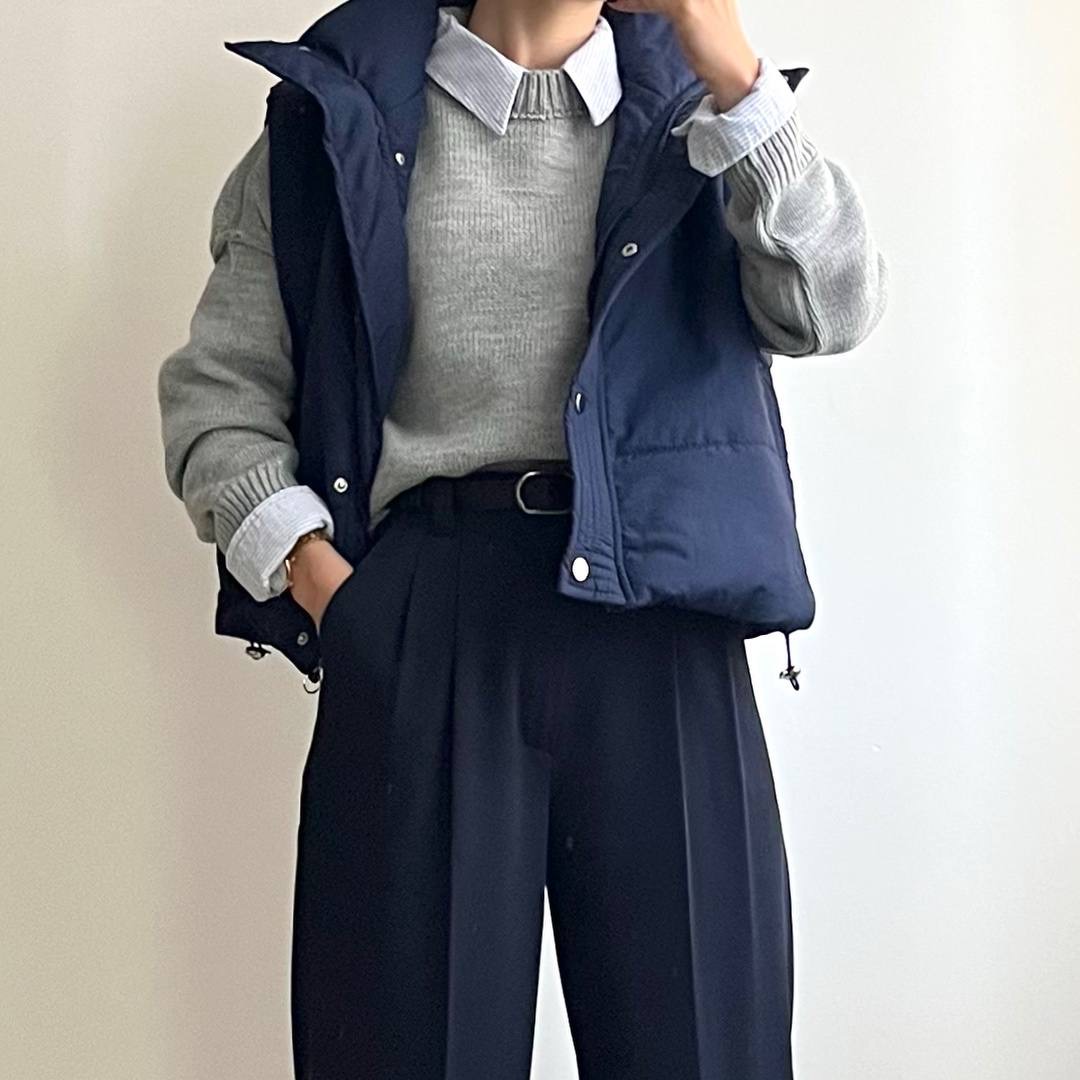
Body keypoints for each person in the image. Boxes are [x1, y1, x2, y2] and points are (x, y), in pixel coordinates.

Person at [158, 1, 887, 1076]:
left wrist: (736, 74)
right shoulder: (335, 114)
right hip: (425, 621)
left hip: (661, 621)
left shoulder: (701, 115)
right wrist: (331, 592)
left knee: (705, 1051)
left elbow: (832, 310)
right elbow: (219, 402)